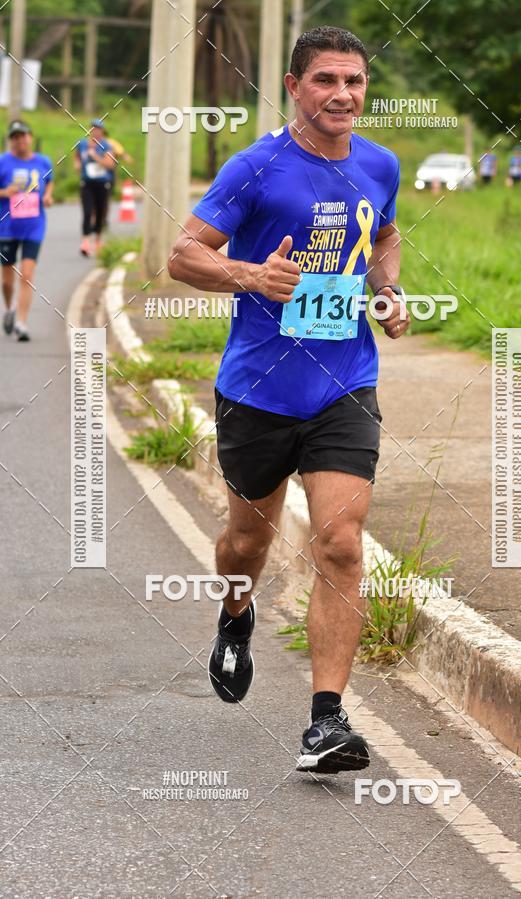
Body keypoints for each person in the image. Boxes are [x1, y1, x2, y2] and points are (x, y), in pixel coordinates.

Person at [169, 26, 410, 774]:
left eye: (356, 82)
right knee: (248, 544)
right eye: (326, 81)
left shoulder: (380, 163)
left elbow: (386, 234)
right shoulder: (256, 167)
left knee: (340, 540)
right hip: (260, 389)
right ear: (295, 87)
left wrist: (387, 290)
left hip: (345, 384)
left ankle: (325, 721)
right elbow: (185, 254)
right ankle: (235, 614)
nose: (343, 95)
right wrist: (250, 275)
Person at [0, 121, 53, 341]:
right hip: (7, 227)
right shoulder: (3, 162)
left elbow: (49, 181)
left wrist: (48, 195)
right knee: (7, 281)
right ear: (10, 140)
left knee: (27, 275)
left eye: (23, 136)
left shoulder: (43, 161)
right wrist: (5, 192)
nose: (20, 141)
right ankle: (9, 308)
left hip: (34, 225)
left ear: (30, 137)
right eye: (15, 137)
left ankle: (22, 323)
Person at [74, 119, 115, 256]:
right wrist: (78, 164)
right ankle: (85, 242)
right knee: (86, 212)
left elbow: (110, 164)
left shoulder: (106, 146)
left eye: (98, 129)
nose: (95, 131)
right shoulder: (82, 144)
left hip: (102, 184)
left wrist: (96, 157)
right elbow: (77, 157)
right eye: (93, 129)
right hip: (87, 183)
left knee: (100, 213)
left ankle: (97, 240)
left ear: (102, 131)